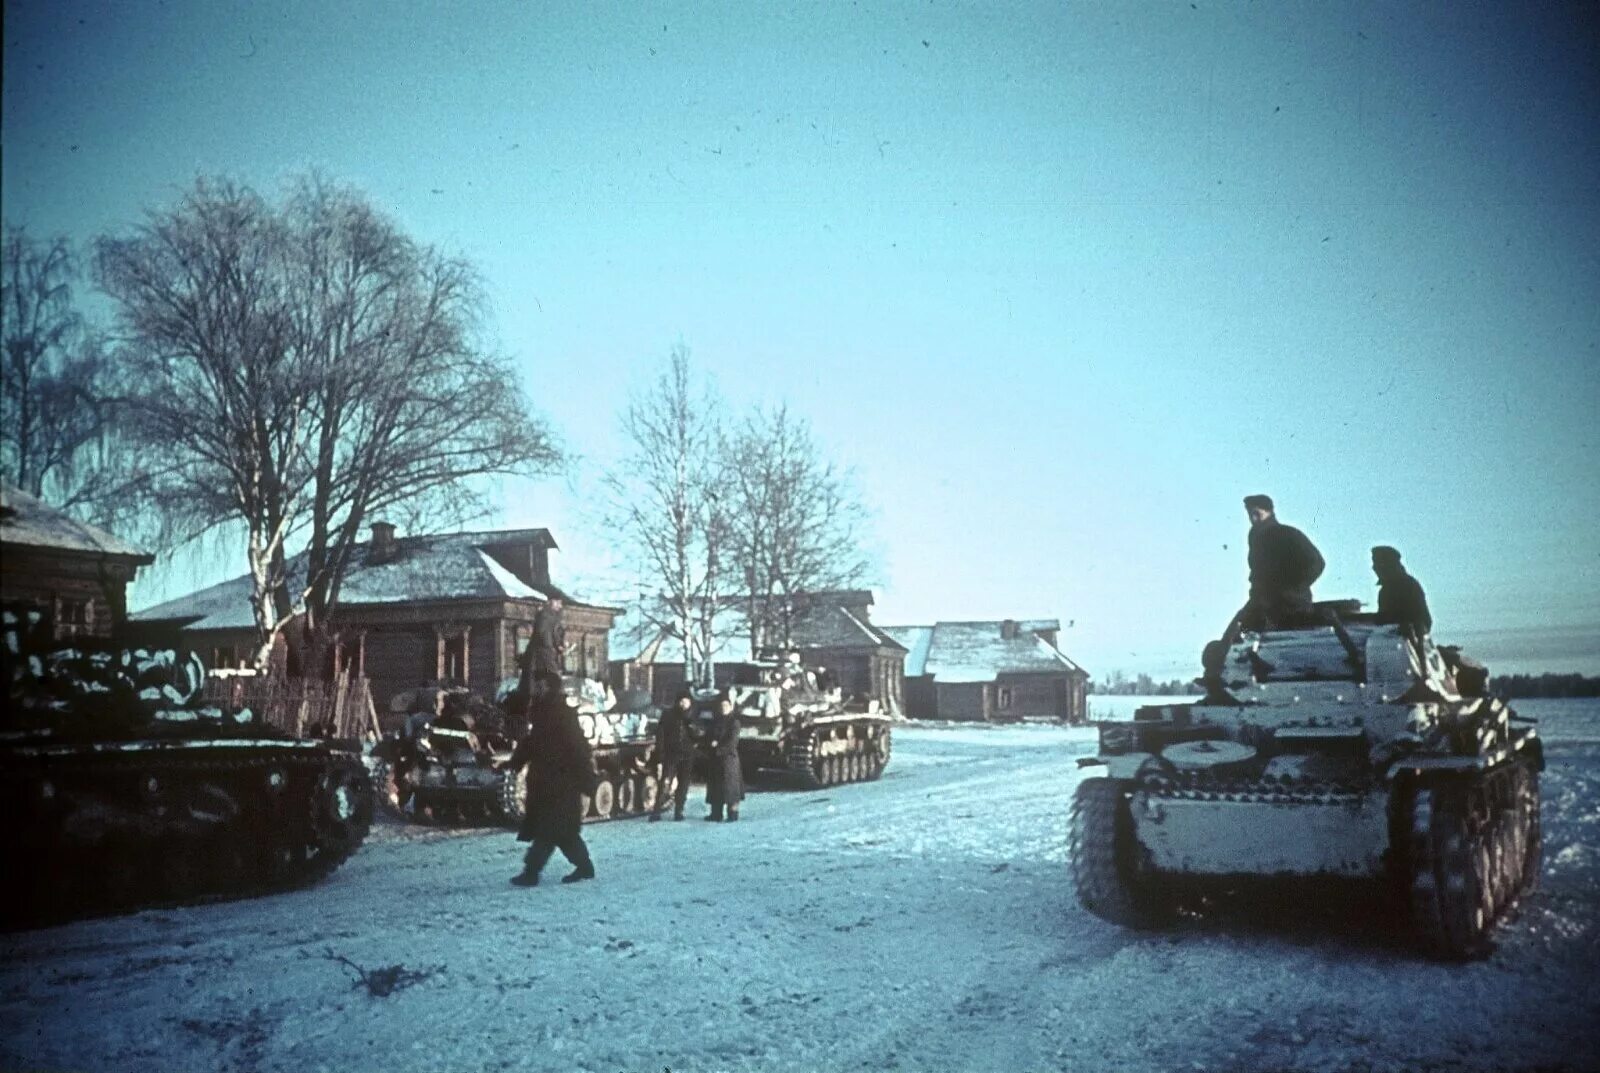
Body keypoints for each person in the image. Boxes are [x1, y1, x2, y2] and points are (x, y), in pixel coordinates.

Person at [505, 671, 598, 886]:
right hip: (545, 780)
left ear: (548, 686)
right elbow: (532, 743)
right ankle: (584, 867)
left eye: (539, 683)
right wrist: (514, 762)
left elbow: (578, 747)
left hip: (562, 781)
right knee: (564, 833)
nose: (535, 687)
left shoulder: (562, 713)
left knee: (548, 830)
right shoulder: (541, 712)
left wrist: (587, 778)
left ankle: (531, 872)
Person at [1237, 493, 1325, 631]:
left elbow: (1316, 563)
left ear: (1269, 512)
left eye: (1257, 514)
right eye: (1250, 514)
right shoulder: (1255, 537)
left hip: (1291, 607)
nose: (1253, 519)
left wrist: (1292, 590)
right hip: (1263, 604)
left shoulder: (1286, 534)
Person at [649, 688, 699, 822]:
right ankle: (657, 810)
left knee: (683, 784)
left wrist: (691, 725)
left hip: (687, 755)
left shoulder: (693, 716)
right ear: (677, 702)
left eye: (686, 701)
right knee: (665, 782)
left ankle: (679, 810)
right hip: (671, 754)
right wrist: (660, 753)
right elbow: (661, 735)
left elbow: (698, 735)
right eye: (681, 701)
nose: (684, 704)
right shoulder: (668, 715)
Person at [702, 690, 744, 822]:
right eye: (721, 706)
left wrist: (718, 748)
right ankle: (716, 813)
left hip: (728, 759)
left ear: (730, 707)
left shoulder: (734, 722)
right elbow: (708, 736)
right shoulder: (715, 721)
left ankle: (732, 813)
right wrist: (709, 744)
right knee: (716, 786)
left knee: (730, 787)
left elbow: (732, 741)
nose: (723, 708)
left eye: (726, 705)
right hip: (716, 759)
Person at [1372, 545, 1432, 637]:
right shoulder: (1385, 591)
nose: (1374, 568)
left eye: (1377, 564)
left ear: (1389, 565)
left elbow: (1424, 622)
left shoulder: (1410, 587)